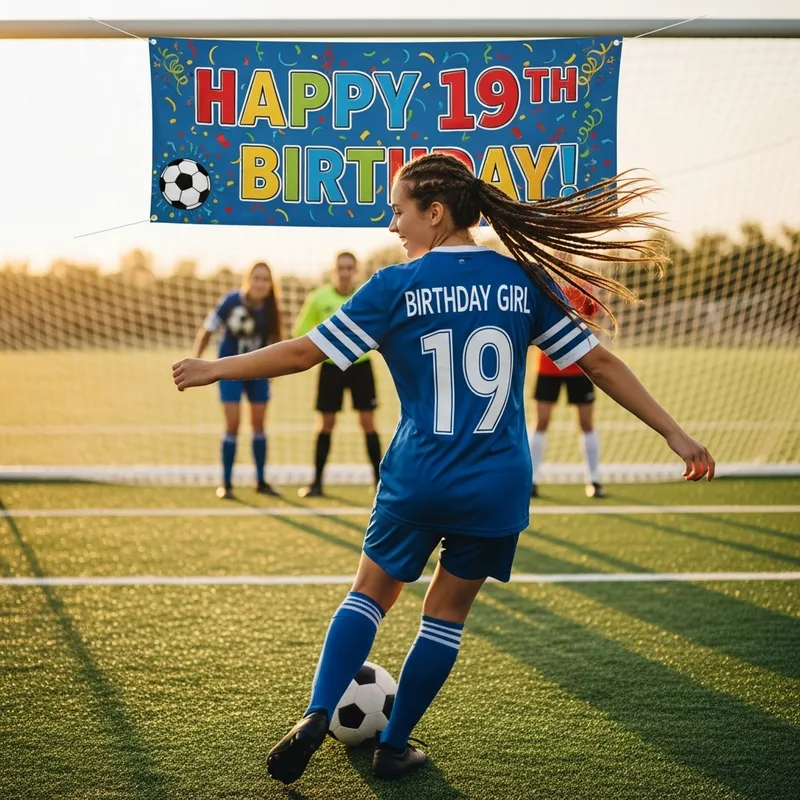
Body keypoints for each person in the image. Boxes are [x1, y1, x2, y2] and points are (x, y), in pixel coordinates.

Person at [172, 154, 715, 785]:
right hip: (495, 481)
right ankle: (395, 746)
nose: (393, 224)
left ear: (435, 213)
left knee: (369, 594)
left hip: (416, 475)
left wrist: (214, 368)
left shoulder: (393, 286)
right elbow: (601, 364)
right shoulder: (522, 282)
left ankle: (319, 711)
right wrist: (675, 433)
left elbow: (302, 353)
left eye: (399, 210)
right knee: (446, 614)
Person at [292, 251, 382, 497]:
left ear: (356, 271)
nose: (344, 272)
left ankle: (379, 482)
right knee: (326, 424)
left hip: (361, 365)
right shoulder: (318, 298)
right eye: (340, 268)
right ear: (333, 271)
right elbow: (301, 331)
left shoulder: (364, 295)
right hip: (330, 367)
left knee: (368, 423)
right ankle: (317, 482)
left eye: (349, 268)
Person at [193, 261, 283, 499]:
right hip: (229, 372)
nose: (261, 283)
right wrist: (197, 361)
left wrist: (273, 372)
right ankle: (226, 483)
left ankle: (261, 481)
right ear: (248, 279)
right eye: (257, 278)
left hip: (258, 372)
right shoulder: (230, 302)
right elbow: (208, 329)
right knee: (232, 424)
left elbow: (276, 341)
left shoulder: (272, 307)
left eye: (266, 279)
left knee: (259, 425)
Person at [530, 277, 605, 498]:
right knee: (541, 422)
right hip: (547, 367)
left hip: (579, 367)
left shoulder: (583, 287)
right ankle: (531, 479)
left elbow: (594, 322)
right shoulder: (541, 283)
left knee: (586, 423)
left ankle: (593, 480)